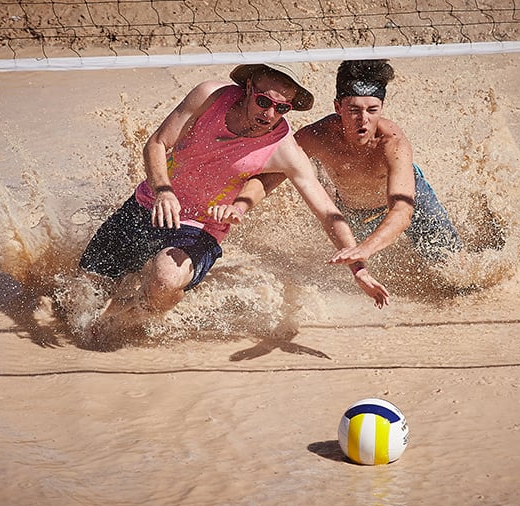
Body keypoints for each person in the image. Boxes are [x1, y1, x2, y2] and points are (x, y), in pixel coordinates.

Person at [79, 63, 390, 341]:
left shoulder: (284, 148)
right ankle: (120, 295)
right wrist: (163, 190)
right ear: (248, 89)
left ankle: (129, 314)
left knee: (165, 280)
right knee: (82, 290)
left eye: (282, 108)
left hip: (200, 228)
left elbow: (327, 212)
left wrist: (358, 268)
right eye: (264, 101)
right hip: (151, 204)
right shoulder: (209, 96)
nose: (269, 115)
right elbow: (158, 143)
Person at [293, 59, 465, 265]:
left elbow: (402, 210)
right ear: (338, 107)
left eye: (372, 110)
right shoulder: (317, 137)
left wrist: (365, 248)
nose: (363, 119)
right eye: (354, 110)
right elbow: (273, 171)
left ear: (382, 107)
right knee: (353, 270)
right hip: (353, 212)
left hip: (412, 202)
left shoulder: (392, 143)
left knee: (454, 267)